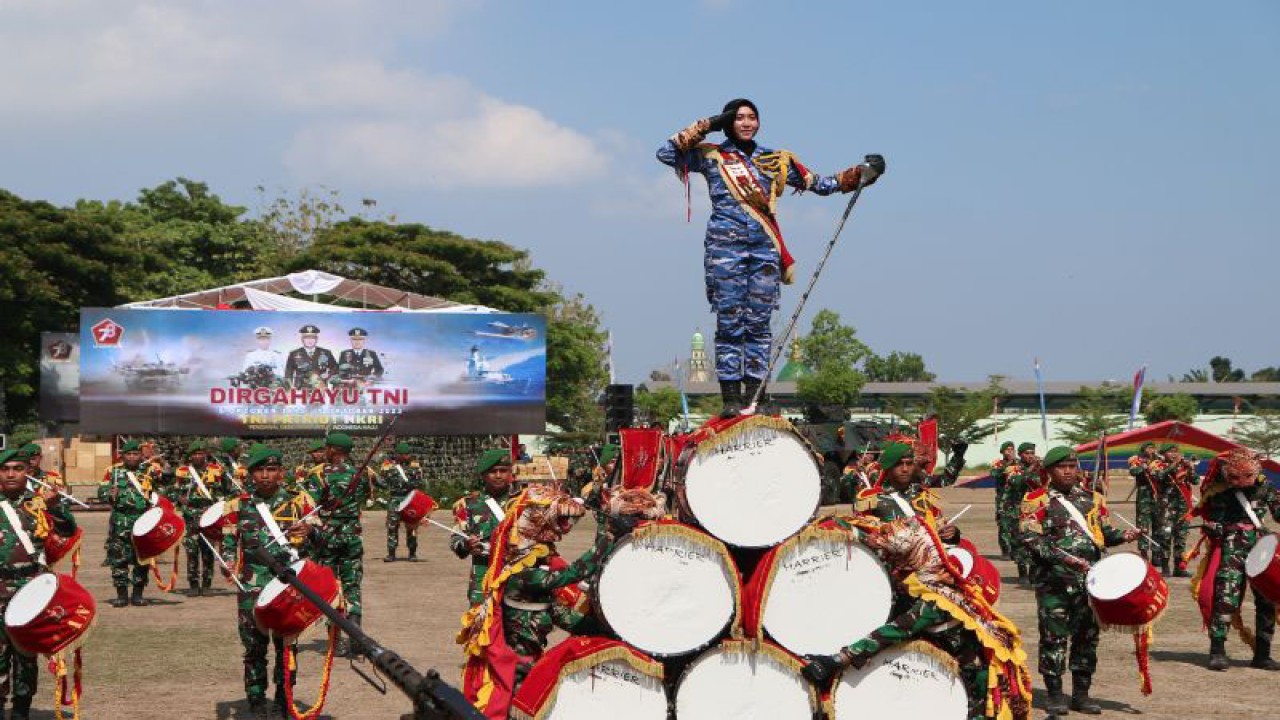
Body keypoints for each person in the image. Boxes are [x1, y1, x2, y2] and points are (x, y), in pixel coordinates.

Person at [657, 99, 885, 416]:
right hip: (726, 250)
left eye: (752, 117)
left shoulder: (774, 160)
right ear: (728, 122)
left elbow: (820, 183)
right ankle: (731, 400)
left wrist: (864, 174)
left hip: (764, 250)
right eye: (738, 118)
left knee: (759, 325)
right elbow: (667, 153)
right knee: (730, 323)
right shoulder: (712, 155)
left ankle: (756, 396)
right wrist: (708, 123)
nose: (747, 123)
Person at [801, 516, 1031, 720]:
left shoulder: (941, 598)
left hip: (974, 676)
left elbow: (896, 630)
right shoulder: (922, 566)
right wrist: (841, 529)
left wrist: (838, 660)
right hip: (945, 665)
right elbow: (879, 543)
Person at [458, 485, 613, 718]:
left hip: (531, 642)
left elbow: (558, 613)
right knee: (520, 698)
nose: (566, 527)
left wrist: (601, 628)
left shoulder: (532, 560)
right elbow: (571, 575)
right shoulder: (521, 572)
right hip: (518, 650)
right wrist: (607, 537)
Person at [1019, 446, 1140, 715]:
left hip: (1090, 583)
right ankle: (1054, 694)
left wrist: (1124, 536)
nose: (1069, 471)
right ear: (1049, 471)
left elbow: (1103, 534)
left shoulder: (1092, 499)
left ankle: (1082, 695)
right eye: (1062, 467)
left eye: (1072, 466)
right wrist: (1065, 559)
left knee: (1087, 638)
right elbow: (1029, 538)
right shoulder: (1035, 500)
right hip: (1054, 583)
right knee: (1053, 638)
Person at [222, 444, 318, 717]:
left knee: (287, 647)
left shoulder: (301, 501)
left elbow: (323, 541)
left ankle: (283, 699)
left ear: (281, 473)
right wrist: (227, 562)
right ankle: (256, 701)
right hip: (251, 584)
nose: (265, 475)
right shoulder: (237, 504)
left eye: (271, 469)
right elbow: (229, 540)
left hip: (290, 585)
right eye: (259, 470)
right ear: (251, 474)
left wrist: (309, 530)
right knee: (253, 647)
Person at [0, 448, 78, 720]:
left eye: (17, 468)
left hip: (29, 590)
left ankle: (21, 711)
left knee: (26, 656)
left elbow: (68, 530)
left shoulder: (41, 501)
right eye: (5, 469)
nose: (11, 474)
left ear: (28, 472)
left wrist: (56, 506)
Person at [1190, 448, 1280, 671]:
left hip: (1261, 544)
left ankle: (1262, 653)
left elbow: (1278, 513)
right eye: (1236, 477)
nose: (1242, 482)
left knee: (1267, 598)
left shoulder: (1265, 485)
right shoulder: (1219, 489)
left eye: (1247, 476)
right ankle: (1217, 651)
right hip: (1232, 544)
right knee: (1225, 596)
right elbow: (1214, 519)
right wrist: (1213, 527)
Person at [301, 432, 375, 656]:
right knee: (352, 584)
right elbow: (364, 497)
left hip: (328, 536)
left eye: (327, 448)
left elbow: (308, 504)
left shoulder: (319, 474)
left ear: (333, 450)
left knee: (330, 587)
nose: (324, 452)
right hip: (352, 534)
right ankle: (356, 635)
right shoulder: (360, 474)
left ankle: (335, 637)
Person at [855, 441, 961, 543]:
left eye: (909, 464)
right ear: (888, 467)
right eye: (898, 464)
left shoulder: (924, 496)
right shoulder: (870, 499)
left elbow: (940, 532)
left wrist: (951, 534)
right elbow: (858, 533)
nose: (905, 469)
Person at [450, 449, 515, 605]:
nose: (498, 475)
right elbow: (456, 540)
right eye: (493, 471)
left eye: (503, 471)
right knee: (482, 627)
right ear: (484, 475)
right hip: (483, 579)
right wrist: (466, 544)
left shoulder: (524, 502)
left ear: (510, 474)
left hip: (518, 579)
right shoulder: (468, 505)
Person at [98, 439, 158, 607]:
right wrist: (110, 494)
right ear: (122, 456)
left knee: (142, 559)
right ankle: (122, 595)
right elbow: (101, 493)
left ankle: (138, 594)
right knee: (119, 559)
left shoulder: (150, 471)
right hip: (120, 521)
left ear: (140, 455)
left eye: (135, 454)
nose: (132, 457)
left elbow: (162, 491)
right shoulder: (113, 472)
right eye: (128, 454)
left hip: (143, 520)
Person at [173, 440, 232, 596]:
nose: (198, 456)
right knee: (192, 551)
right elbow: (172, 491)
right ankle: (193, 584)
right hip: (190, 516)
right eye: (195, 454)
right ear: (190, 456)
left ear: (206, 454)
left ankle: (207, 584)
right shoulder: (183, 472)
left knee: (208, 551)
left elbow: (227, 490)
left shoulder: (217, 470)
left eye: (200, 453)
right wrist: (179, 499)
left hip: (209, 517)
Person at [1150, 443, 1200, 577]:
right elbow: (1158, 477)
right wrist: (1173, 465)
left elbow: (1195, 481)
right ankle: (1165, 568)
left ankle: (1179, 568)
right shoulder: (1157, 464)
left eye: (1176, 452)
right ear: (1164, 453)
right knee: (1165, 537)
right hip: (1166, 508)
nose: (1174, 454)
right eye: (1171, 452)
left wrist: (1191, 468)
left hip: (1183, 508)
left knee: (1181, 538)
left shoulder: (1184, 466)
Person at [376, 441, 427, 562]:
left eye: (407, 454)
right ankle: (391, 553)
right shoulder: (388, 466)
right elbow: (383, 483)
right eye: (403, 454)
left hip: (410, 499)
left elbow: (421, 482)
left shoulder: (415, 466)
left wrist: (411, 484)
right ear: (397, 454)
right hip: (395, 499)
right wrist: (374, 479)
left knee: (412, 527)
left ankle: (412, 553)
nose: (406, 456)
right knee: (392, 527)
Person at [1004, 442, 1041, 583]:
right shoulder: (1013, 468)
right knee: (1018, 542)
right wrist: (1031, 468)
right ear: (1020, 455)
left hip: (1034, 509)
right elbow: (1017, 482)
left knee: (1034, 540)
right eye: (1027, 453)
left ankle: (1033, 573)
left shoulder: (1039, 469)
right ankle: (1022, 573)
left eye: (1032, 453)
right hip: (1016, 510)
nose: (1030, 456)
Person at [1128, 441, 1160, 563]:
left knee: (1158, 526)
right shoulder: (1137, 460)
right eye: (1149, 447)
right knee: (1143, 526)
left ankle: (1156, 555)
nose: (1152, 450)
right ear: (1144, 449)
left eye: (1153, 447)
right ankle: (1144, 553)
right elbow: (1133, 472)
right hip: (1144, 497)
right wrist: (1144, 467)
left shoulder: (1159, 460)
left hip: (1158, 497)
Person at [283, 325, 338, 389]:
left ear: (317, 339)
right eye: (306, 338)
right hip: (301, 389)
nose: (310, 340)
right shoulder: (293, 354)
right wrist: (290, 389)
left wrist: (328, 374)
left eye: (312, 338)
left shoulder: (326, 353)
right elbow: (288, 375)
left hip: (320, 388)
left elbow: (335, 368)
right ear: (302, 339)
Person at [989, 441, 1017, 558]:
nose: (1010, 452)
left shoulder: (1020, 463)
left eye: (1012, 449)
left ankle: (1016, 551)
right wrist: (1009, 463)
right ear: (1002, 451)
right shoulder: (997, 463)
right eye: (1007, 450)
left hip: (1017, 499)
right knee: (1004, 525)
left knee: (1017, 526)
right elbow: (995, 474)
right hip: (1003, 500)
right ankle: (1005, 551)